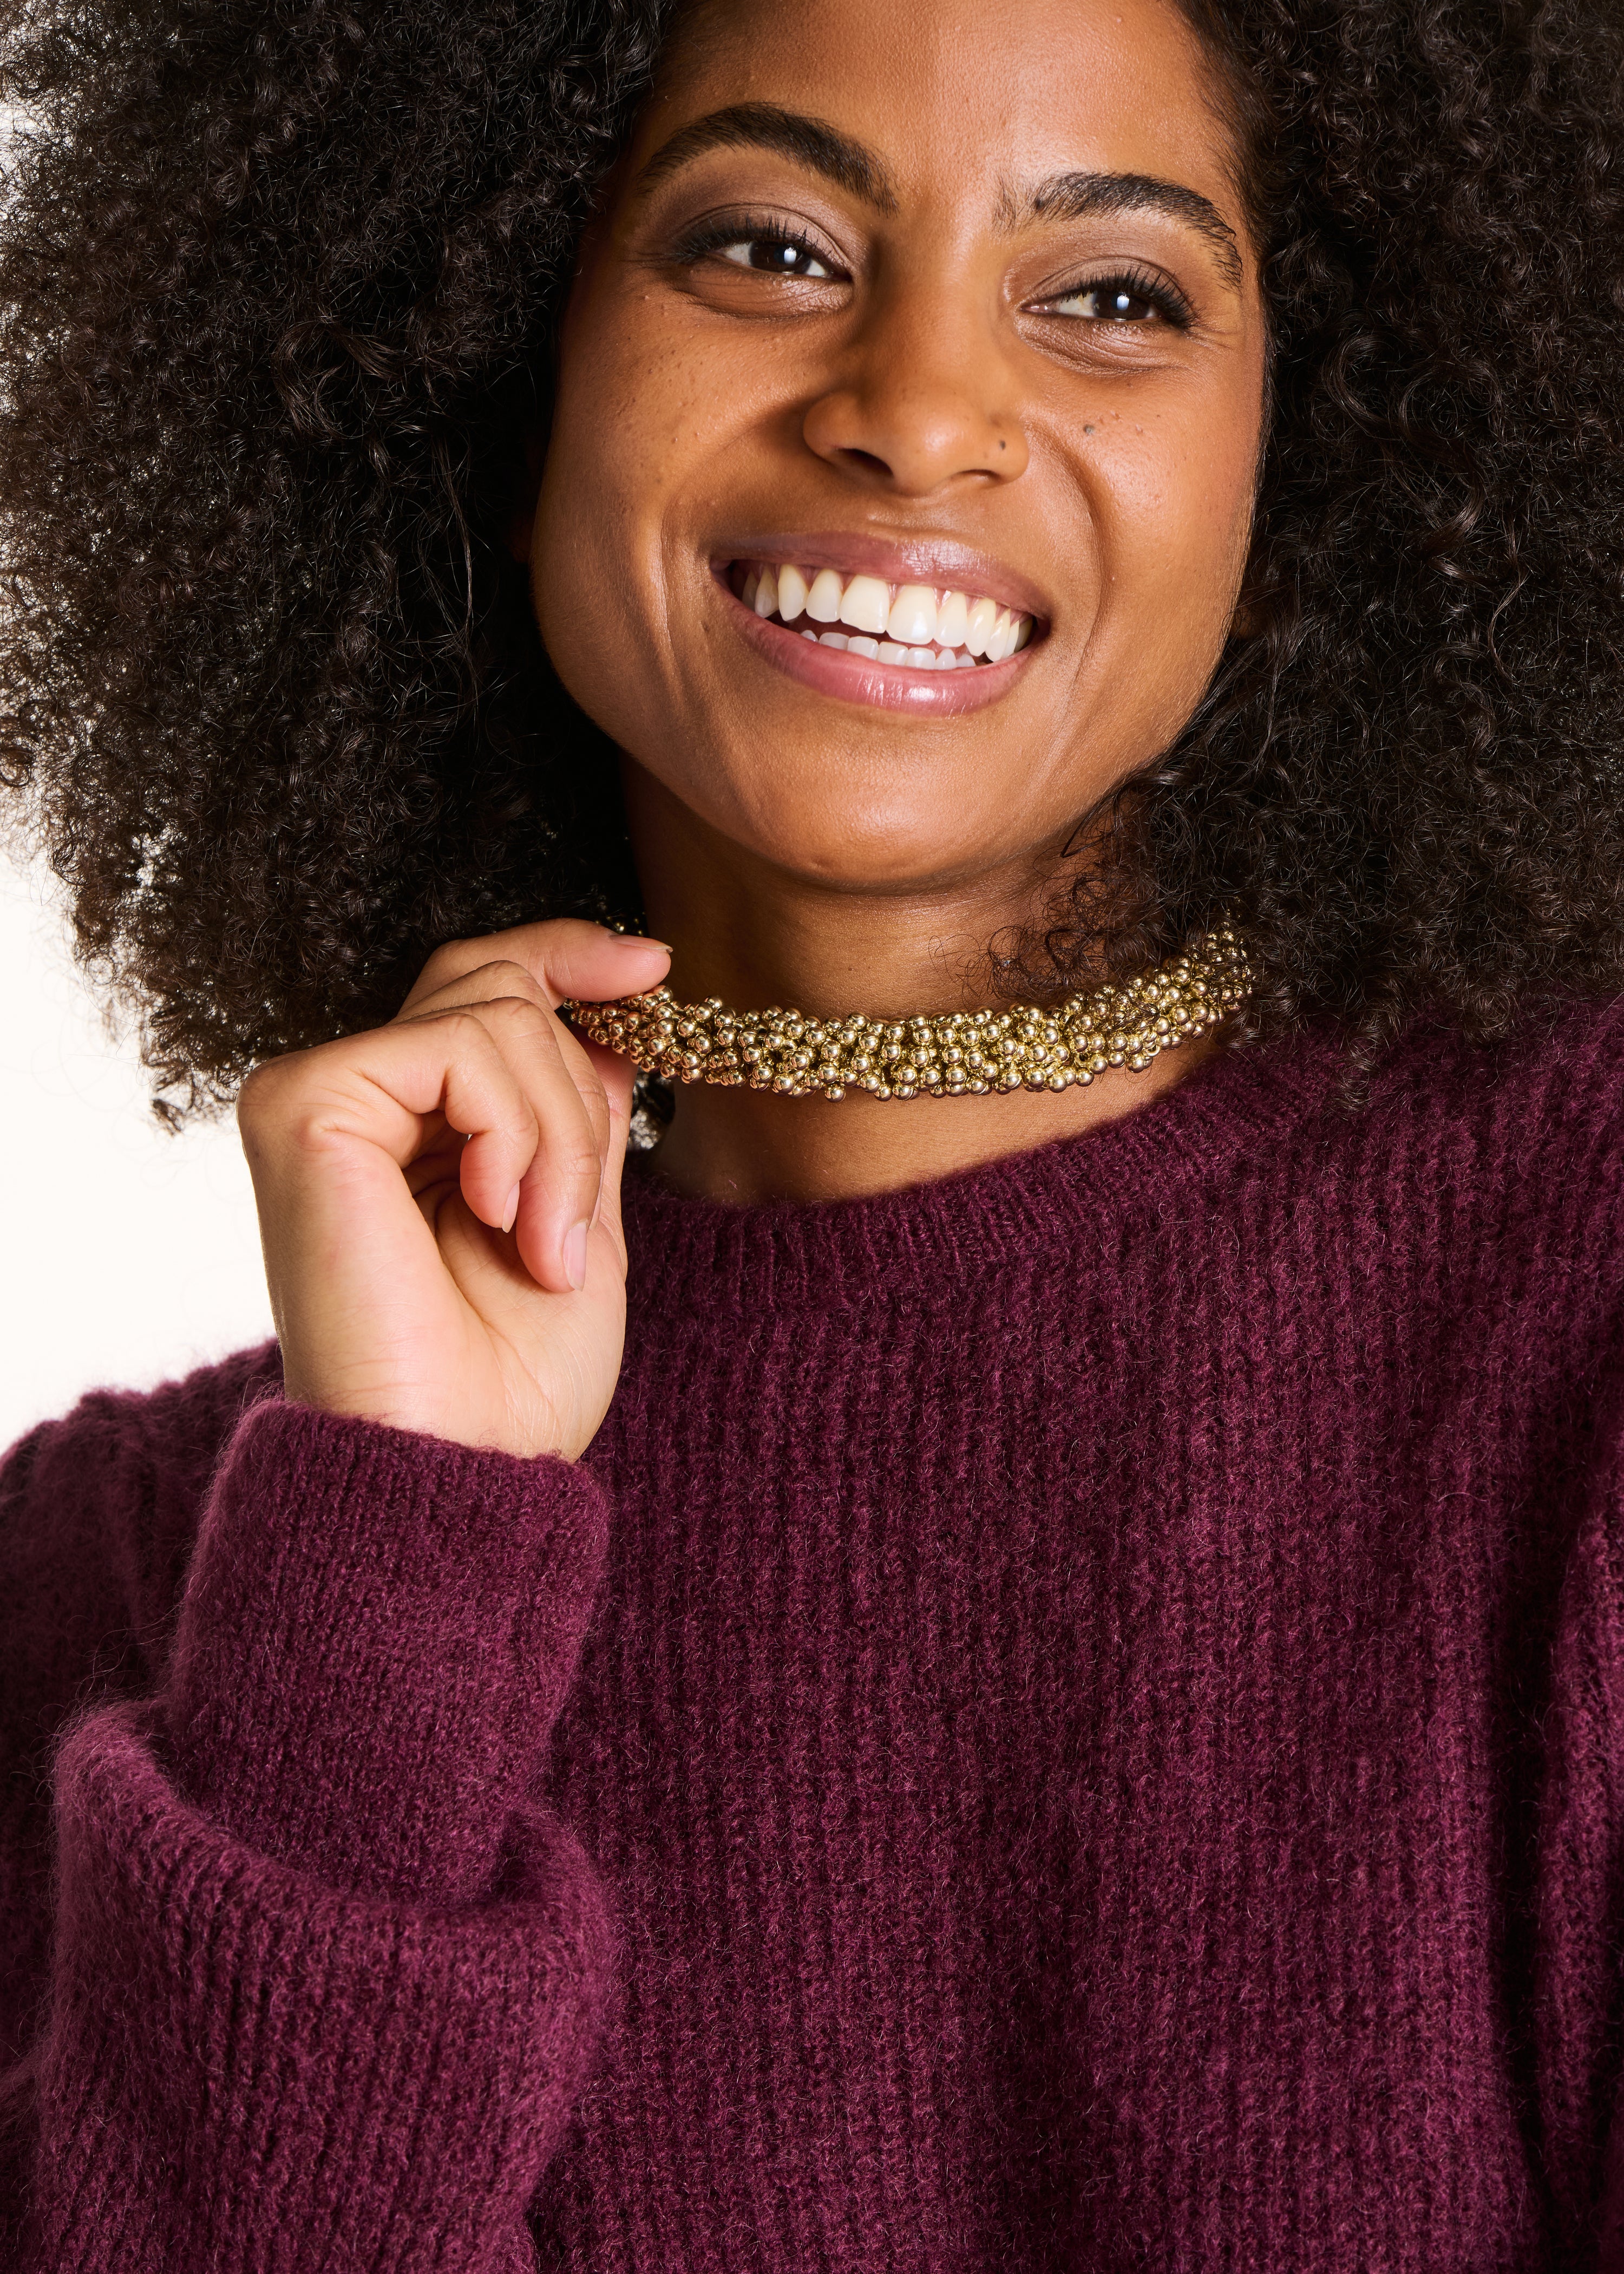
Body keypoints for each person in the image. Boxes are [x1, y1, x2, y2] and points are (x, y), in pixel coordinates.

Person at [2, 0, 1623, 2260]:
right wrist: (390, 1578)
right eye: (765, 247)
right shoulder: (136, 1611)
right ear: (482, 338)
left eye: (1118, 298)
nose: (923, 412)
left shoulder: (1579, 1309)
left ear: (1325, 435)